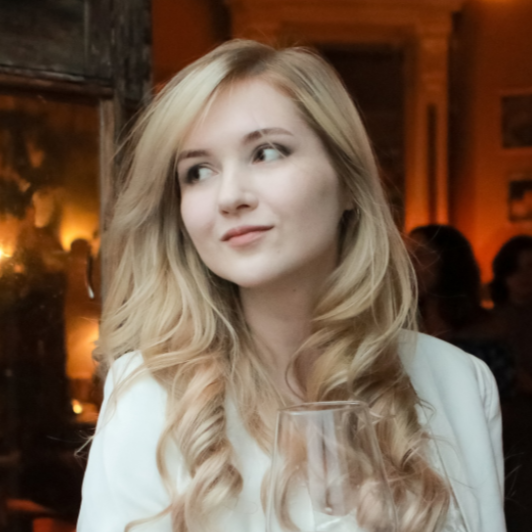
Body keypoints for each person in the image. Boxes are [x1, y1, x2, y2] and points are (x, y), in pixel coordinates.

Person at [77, 40, 505, 532]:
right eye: (198, 172)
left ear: (348, 181)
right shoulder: (147, 394)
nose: (230, 196)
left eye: (267, 152)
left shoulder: (458, 382)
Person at [409, 224, 515, 401]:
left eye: (420, 255)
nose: (408, 265)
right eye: (406, 256)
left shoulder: (485, 338)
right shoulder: (401, 326)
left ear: (447, 262)